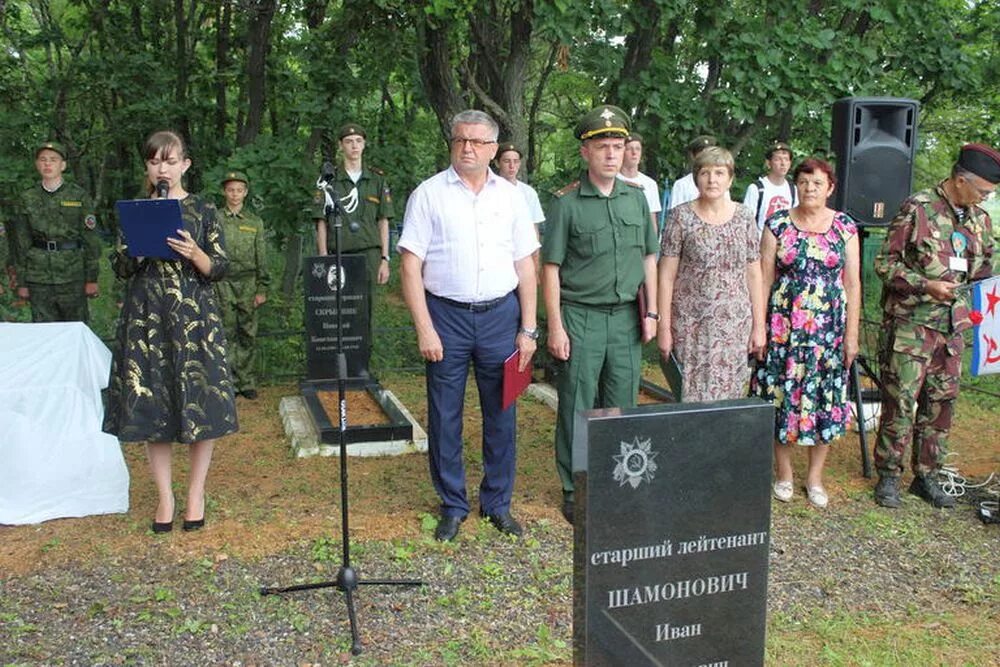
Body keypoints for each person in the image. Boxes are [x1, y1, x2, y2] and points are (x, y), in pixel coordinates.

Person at [398, 110, 538, 542]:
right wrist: (425, 327)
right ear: (452, 143)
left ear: (495, 149)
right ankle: (453, 505)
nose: (468, 148)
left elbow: (526, 266)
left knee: (502, 413)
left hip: (501, 317)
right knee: (445, 415)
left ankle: (497, 504)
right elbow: (409, 264)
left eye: (478, 142)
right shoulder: (428, 195)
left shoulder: (512, 197)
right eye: (461, 140)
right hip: (447, 317)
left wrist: (529, 329)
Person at [103, 130, 238, 534]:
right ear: (148, 167)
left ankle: (196, 492)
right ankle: (165, 496)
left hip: (194, 318)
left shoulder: (204, 209)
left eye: (170, 160)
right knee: (151, 403)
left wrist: (195, 253)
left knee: (202, 399)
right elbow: (120, 266)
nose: (162, 168)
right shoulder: (136, 210)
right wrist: (136, 251)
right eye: (154, 161)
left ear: (185, 165)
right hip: (147, 318)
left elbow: (221, 266)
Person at [542, 105, 659, 524]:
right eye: (602, 147)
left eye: (618, 146)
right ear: (585, 152)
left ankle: (619, 482)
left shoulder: (637, 199)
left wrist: (654, 313)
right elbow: (550, 269)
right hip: (581, 317)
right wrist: (554, 325)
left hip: (627, 318)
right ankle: (576, 488)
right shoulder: (566, 204)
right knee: (578, 403)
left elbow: (649, 259)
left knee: (622, 404)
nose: (612, 154)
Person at [872, 143, 998, 509]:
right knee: (902, 401)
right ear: (961, 180)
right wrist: (926, 285)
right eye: (984, 192)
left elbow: (984, 271)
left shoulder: (980, 220)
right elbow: (886, 264)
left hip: (952, 328)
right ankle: (889, 477)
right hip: (912, 324)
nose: (986, 200)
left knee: (941, 405)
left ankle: (926, 475)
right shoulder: (918, 208)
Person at [751, 158, 861, 508]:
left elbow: (854, 284)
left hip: (827, 331)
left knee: (825, 399)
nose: (810, 188)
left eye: (817, 183)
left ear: (830, 188)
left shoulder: (845, 227)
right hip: (783, 329)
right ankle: (783, 473)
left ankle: (814, 477)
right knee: (780, 396)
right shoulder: (777, 224)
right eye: (804, 182)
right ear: (795, 185)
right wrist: (759, 328)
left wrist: (852, 335)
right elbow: (764, 279)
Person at [657, 146, 766, 402]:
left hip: (734, 326)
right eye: (705, 173)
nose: (712, 179)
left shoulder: (744, 217)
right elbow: (666, 276)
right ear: (696, 178)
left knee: (729, 398)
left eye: (719, 172)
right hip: (690, 325)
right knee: (691, 397)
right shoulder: (680, 216)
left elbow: (754, 273)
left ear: (730, 178)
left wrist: (759, 326)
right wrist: (664, 327)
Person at [311, 123, 394, 357]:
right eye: (349, 141)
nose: (354, 145)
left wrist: (385, 258)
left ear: (364, 144)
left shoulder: (376, 180)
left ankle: (362, 363)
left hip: (369, 254)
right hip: (339, 254)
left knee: (365, 309)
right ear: (341, 146)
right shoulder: (329, 180)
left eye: (358, 141)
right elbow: (321, 222)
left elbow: (384, 221)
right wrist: (324, 256)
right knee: (335, 309)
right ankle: (335, 362)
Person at [8, 141, 101, 323]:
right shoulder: (27, 198)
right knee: (45, 334)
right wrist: (22, 282)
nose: (47, 164)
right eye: (42, 160)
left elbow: (91, 239)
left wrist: (92, 278)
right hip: (38, 276)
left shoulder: (79, 196)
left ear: (63, 165)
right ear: (37, 164)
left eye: (53, 160)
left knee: (76, 329)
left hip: (72, 274)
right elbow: (21, 242)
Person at [215, 171, 270, 400]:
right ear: (224, 192)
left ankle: (246, 381)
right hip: (222, 282)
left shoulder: (254, 221)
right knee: (225, 330)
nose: (234, 194)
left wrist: (262, 287)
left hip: (248, 283)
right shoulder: (215, 218)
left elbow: (262, 257)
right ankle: (227, 381)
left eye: (239, 190)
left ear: (245, 193)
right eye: (230, 190)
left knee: (247, 331)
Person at [743, 140, 798, 234]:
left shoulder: (793, 189)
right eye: (778, 159)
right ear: (768, 163)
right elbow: (746, 222)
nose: (783, 163)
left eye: (786, 159)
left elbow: (796, 219)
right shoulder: (756, 189)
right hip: (760, 244)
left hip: (785, 245)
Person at [617, 132, 662, 237]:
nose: (634, 153)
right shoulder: (611, 180)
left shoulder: (650, 184)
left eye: (638, 149)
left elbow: (652, 221)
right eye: (629, 149)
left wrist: (652, 249)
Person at [667, 135, 718, 210]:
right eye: (701, 154)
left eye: (709, 154)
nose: (706, 158)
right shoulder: (682, 185)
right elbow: (675, 214)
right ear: (693, 156)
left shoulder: (720, 183)